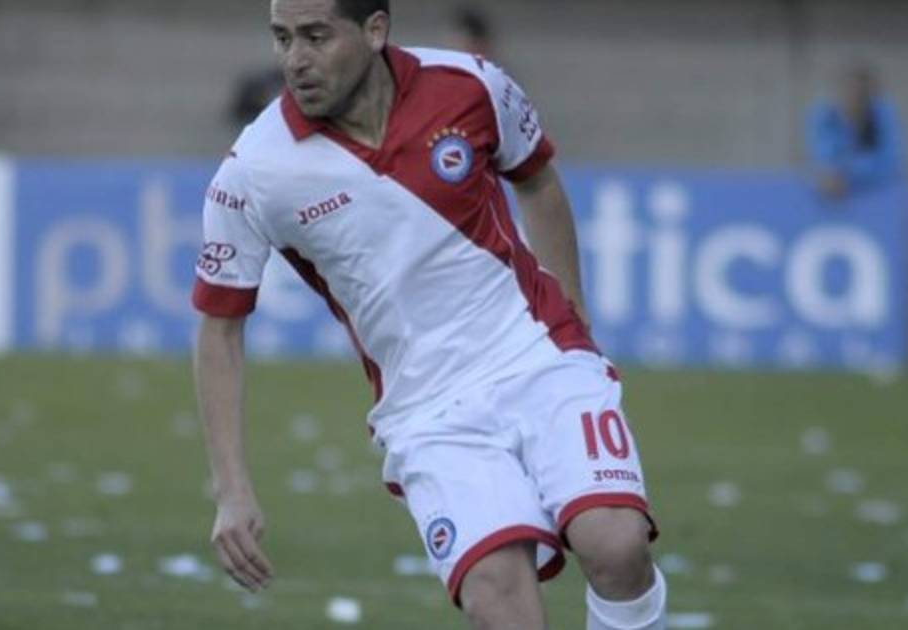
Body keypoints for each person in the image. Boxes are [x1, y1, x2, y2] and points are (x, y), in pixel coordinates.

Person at [192, 1, 667, 628]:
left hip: (537, 354)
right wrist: (232, 490)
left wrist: (575, 320)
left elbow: (537, 179)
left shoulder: (471, 85)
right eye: (282, 38)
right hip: (428, 410)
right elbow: (219, 328)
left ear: (374, 29)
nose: (295, 60)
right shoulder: (254, 170)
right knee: (498, 599)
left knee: (616, 544)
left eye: (315, 36)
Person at [806, 62, 906, 199]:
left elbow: (891, 162)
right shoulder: (825, 116)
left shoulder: (883, 116)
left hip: (877, 192)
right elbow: (822, 157)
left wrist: (851, 175)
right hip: (835, 191)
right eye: (849, 90)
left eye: (862, 93)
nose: (855, 97)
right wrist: (832, 174)